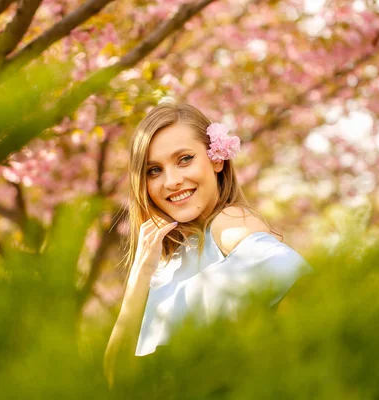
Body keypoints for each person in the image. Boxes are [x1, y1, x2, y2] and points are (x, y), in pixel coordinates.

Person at [104, 101, 311, 384]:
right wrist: (140, 273)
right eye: (154, 170)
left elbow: (302, 285)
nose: (172, 181)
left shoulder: (228, 223)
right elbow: (117, 376)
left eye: (184, 159)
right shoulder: (162, 266)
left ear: (216, 159)